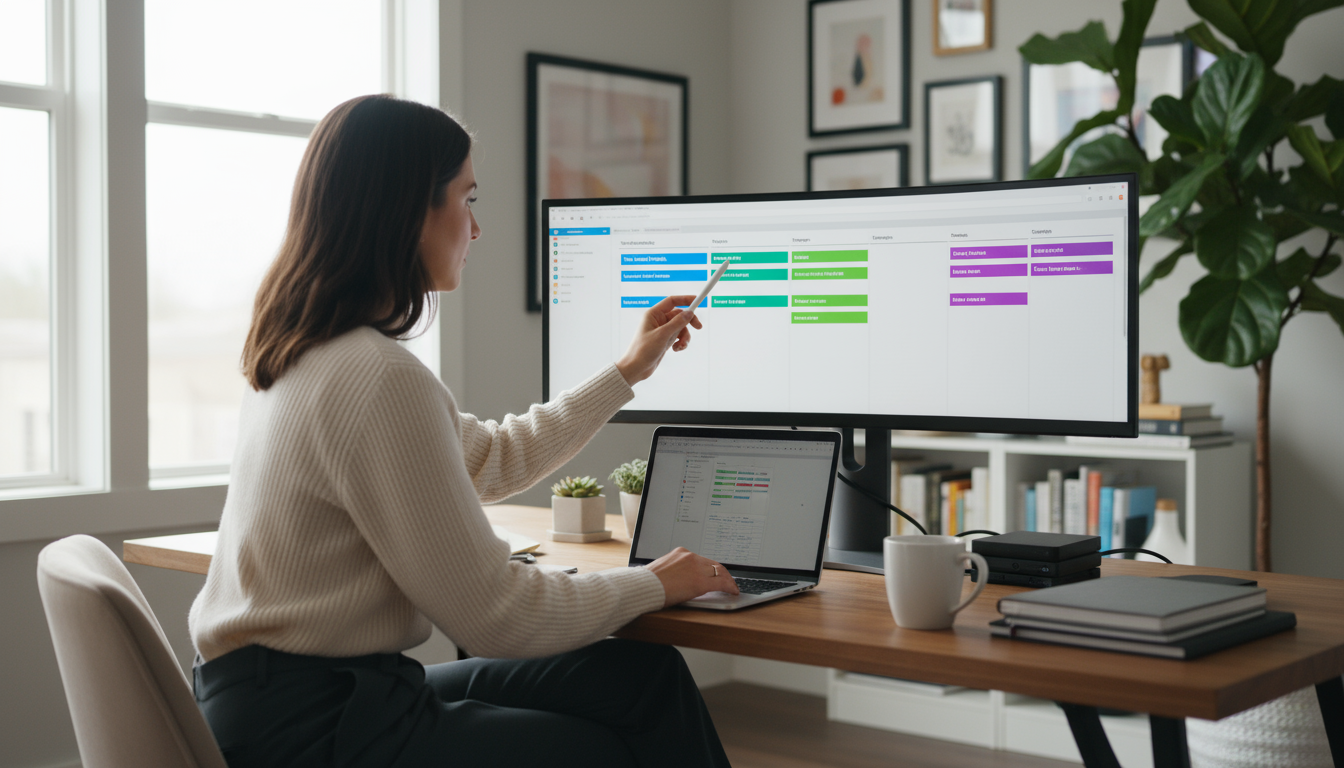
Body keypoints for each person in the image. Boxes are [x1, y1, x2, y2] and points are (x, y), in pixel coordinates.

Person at [188, 94, 738, 768]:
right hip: (318, 727)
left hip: (287, 700)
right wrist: (657, 583)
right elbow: (495, 616)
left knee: (639, 679)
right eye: (466, 199)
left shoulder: (308, 351)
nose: (475, 229)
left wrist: (628, 370)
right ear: (407, 211)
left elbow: (492, 458)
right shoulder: (376, 376)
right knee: (606, 750)